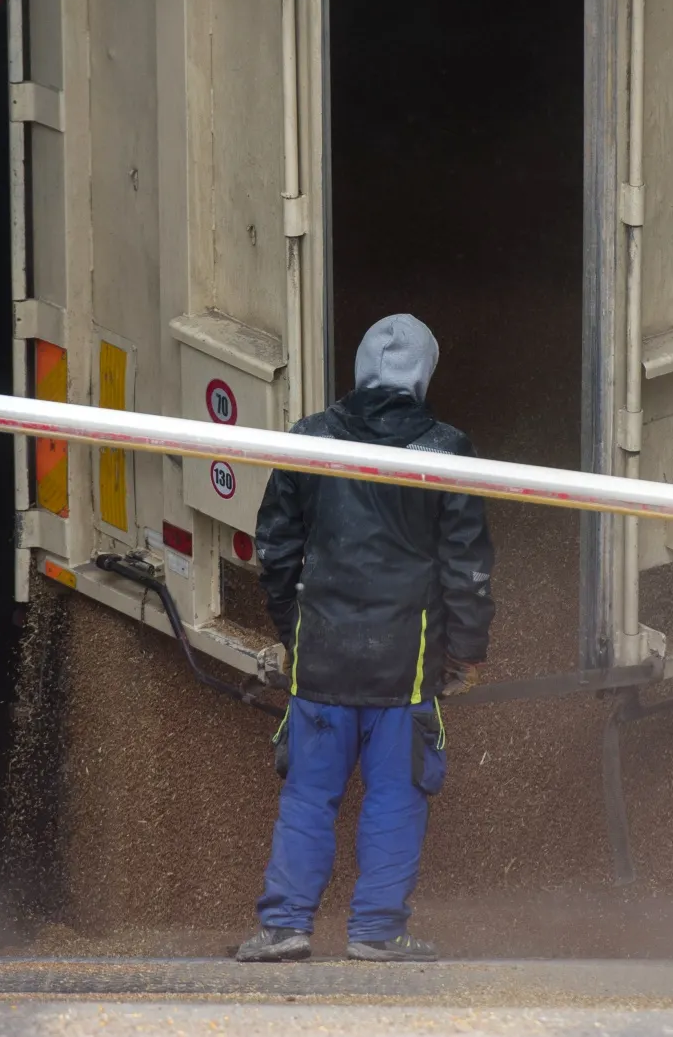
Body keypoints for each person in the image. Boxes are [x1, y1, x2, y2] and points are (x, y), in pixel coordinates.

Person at [234, 313, 496, 964]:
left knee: (308, 795)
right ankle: (377, 930)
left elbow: (274, 546)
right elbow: (467, 564)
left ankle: (285, 926)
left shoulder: (311, 438)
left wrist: (292, 628)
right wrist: (465, 649)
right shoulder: (447, 449)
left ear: (359, 368)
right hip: (404, 666)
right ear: (423, 373)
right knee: (395, 795)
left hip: (322, 658)